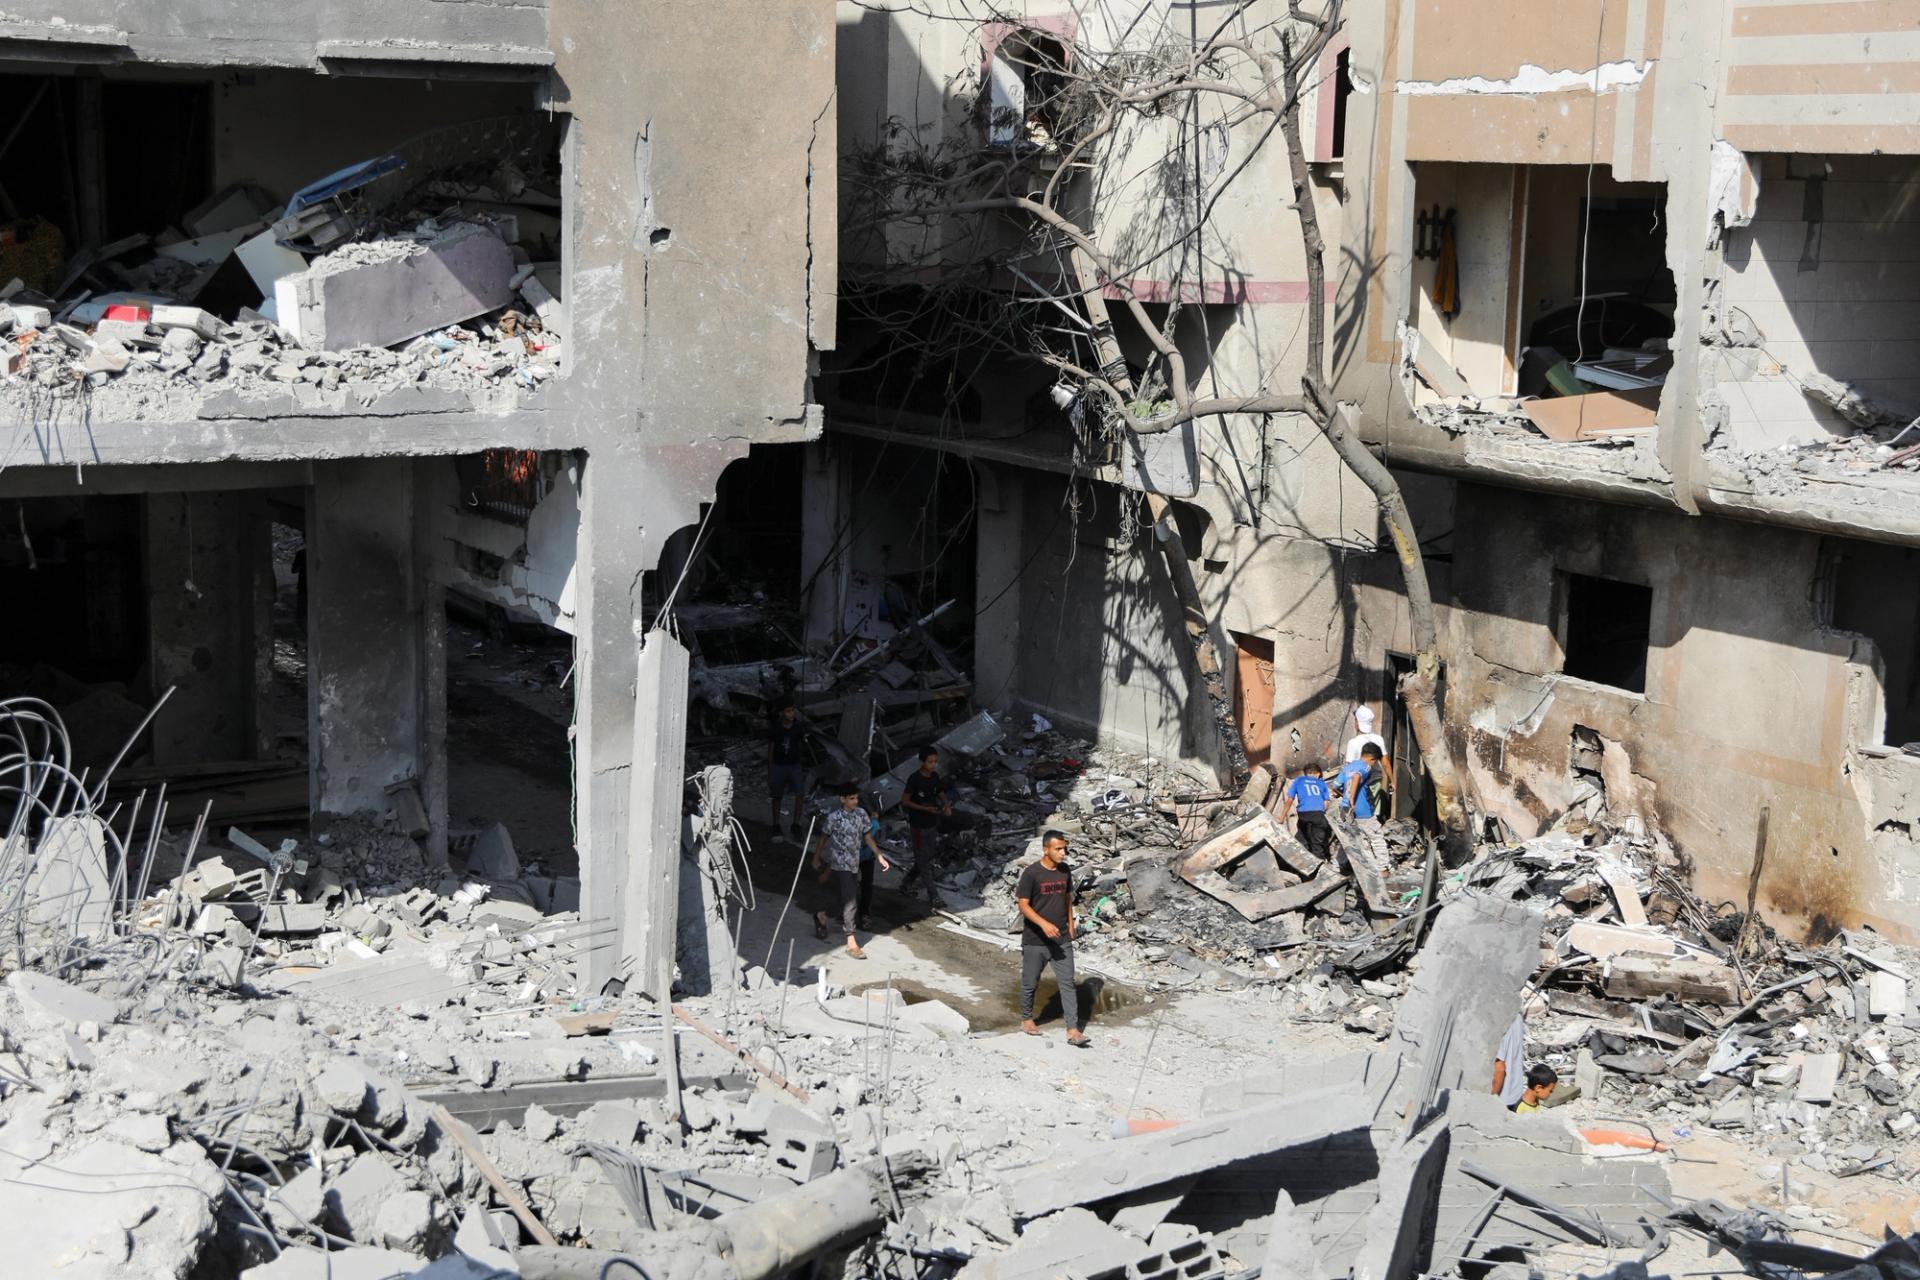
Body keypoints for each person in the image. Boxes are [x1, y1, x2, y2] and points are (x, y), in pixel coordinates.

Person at [1017, 830, 1090, 1047]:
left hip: (1061, 939)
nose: (1063, 853)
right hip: (1035, 940)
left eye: (1064, 848)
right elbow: (1023, 905)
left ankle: (1073, 1030)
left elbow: (1067, 897)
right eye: (1058, 849)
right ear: (1045, 849)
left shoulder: (1064, 871)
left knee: (1067, 982)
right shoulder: (1031, 874)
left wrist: (1070, 922)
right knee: (1030, 982)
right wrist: (1044, 924)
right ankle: (1027, 1019)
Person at [812, 782, 890, 959]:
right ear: (842, 799)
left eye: (857, 798)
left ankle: (821, 916)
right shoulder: (834, 818)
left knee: (844, 899)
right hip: (839, 863)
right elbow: (823, 838)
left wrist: (879, 855)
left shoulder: (861, 815)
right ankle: (851, 941)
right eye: (852, 798)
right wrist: (816, 858)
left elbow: (868, 837)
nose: (855, 801)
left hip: (854, 862)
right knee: (851, 900)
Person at [900, 745, 950, 901]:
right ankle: (934, 895)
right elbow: (905, 800)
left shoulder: (934, 777)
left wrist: (946, 804)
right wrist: (924, 808)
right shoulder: (914, 779)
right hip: (918, 826)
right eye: (930, 762)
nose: (933, 764)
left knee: (926, 857)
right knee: (923, 861)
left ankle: (906, 882)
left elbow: (940, 791)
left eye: (935, 761)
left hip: (931, 824)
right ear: (922, 762)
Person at [1277, 761, 1335, 859]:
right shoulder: (1321, 783)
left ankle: (1300, 860)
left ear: (1306, 773)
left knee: (1302, 838)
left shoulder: (1299, 780)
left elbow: (1290, 800)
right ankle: (1319, 865)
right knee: (1317, 844)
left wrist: (1282, 817)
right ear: (1318, 773)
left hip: (1304, 814)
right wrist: (1320, 813)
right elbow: (1326, 802)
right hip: (1319, 815)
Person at [767, 702, 806, 841]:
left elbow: (800, 745)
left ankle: (796, 824)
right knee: (777, 796)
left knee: (800, 794)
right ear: (782, 713)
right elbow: (771, 748)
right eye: (788, 711)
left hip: (794, 765)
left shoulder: (798, 728)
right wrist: (771, 768)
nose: (791, 714)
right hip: (779, 765)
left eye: (793, 711)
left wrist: (800, 764)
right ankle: (776, 824)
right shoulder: (776, 728)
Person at [1337, 741, 1390, 822]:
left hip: (1346, 810)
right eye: (1375, 762)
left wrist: (1345, 797)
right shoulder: (1366, 767)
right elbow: (1357, 776)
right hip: (1363, 812)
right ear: (1372, 759)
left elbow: (1336, 785)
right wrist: (1351, 798)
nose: (1374, 764)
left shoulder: (1348, 767)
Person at [1491, 1014, 1529, 1109]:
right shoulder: (1516, 1016)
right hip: (1514, 1094)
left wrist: (1488, 1100)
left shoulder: (1497, 1024)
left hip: (1499, 1100)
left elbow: (1499, 1068)